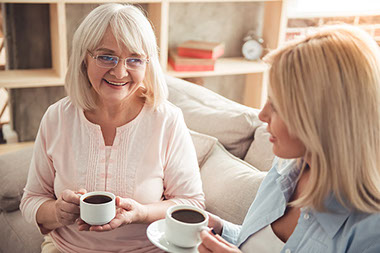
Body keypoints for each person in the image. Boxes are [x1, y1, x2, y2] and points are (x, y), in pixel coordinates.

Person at [20, 3, 205, 252]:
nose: (120, 71)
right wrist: (57, 212)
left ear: (147, 63)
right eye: (106, 56)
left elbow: (192, 203)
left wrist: (142, 213)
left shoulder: (167, 120)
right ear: (84, 59)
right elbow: (31, 200)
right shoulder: (57, 117)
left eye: (134, 59)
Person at [199, 25, 380, 253]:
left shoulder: (371, 231)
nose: (262, 115)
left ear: (321, 118)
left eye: (276, 105)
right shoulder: (284, 169)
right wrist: (222, 230)